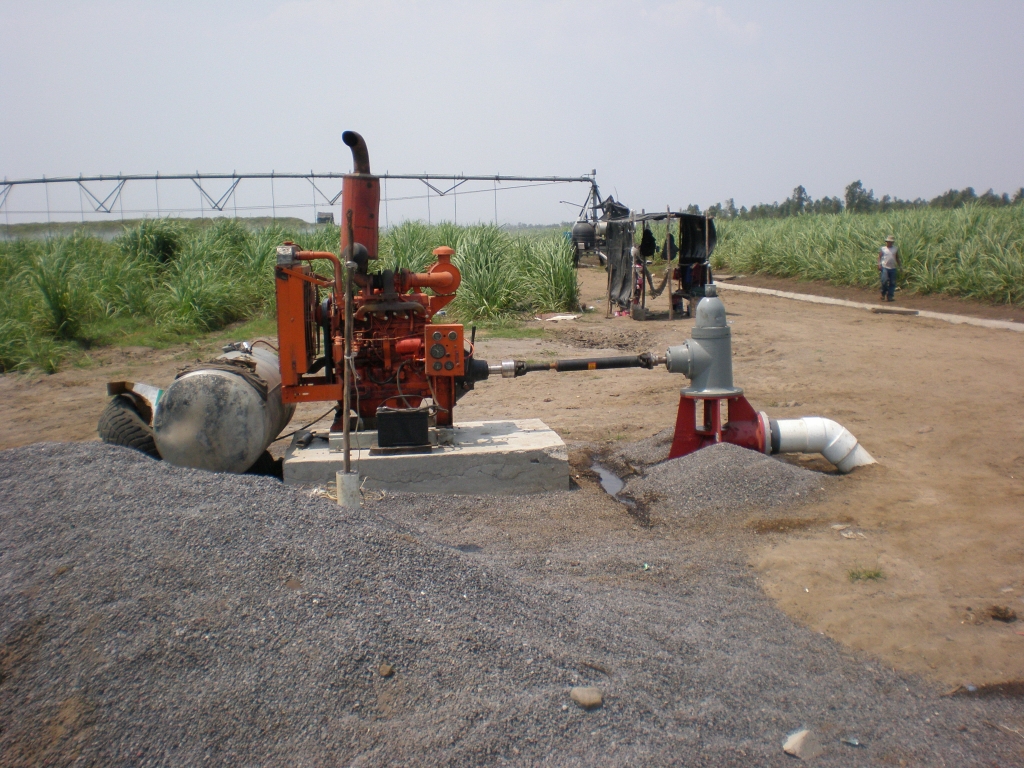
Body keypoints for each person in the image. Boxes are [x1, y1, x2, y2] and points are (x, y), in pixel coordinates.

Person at [878, 235, 901, 302]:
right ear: (886, 242)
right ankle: (883, 293)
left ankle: (890, 296)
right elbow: (879, 257)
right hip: (885, 267)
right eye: (888, 242)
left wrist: (900, 266)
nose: (889, 243)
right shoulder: (883, 249)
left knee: (892, 283)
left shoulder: (895, 249)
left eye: (891, 242)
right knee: (884, 281)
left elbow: (897, 258)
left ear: (892, 242)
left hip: (893, 268)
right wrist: (879, 264)